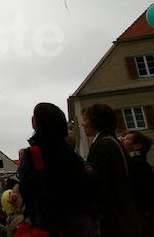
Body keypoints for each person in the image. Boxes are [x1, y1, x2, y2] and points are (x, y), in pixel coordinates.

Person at [19, 102, 94, 236]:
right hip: (80, 221)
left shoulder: (32, 154)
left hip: (49, 224)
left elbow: (26, 189)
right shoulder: (71, 154)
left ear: (37, 124)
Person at [81, 103, 142, 237]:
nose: (82, 124)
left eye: (85, 120)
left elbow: (99, 186)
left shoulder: (101, 146)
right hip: (125, 215)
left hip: (112, 219)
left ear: (95, 122)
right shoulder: (113, 142)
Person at [122, 130, 154, 235]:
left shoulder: (137, 165)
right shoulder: (139, 163)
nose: (122, 140)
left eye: (127, 139)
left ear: (137, 146)